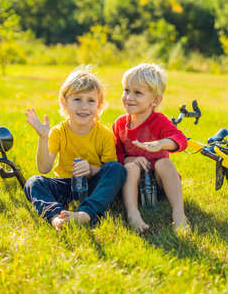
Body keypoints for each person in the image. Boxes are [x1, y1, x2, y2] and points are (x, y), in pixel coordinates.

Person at [24, 67, 126, 230]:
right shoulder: (58, 132)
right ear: (64, 103)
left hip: (93, 186)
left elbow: (109, 172)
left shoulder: (104, 135)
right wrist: (43, 138)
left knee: (117, 169)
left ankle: (85, 214)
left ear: (99, 105)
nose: (84, 107)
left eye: (91, 101)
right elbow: (44, 168)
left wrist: (91, 169)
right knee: (34, 182)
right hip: (66, 186)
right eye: (77, 99)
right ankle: (56, 217)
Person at [112, 63, 189, 233]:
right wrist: (130, 159)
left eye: (137, 92)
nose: (129, 97)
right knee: (130, 167)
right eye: (126, 90)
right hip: (133, 187)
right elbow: (115, 155)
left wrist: (162, 144)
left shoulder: (158, 121)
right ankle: (133, 213)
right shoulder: (119, 124)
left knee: (165, 164)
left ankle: (179, 214)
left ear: (155, 100)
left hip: (161, 186)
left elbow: (181, 139)